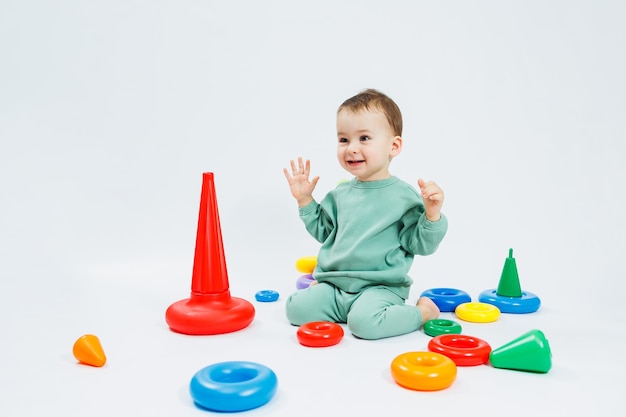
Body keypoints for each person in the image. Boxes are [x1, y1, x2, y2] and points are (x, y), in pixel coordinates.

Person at [282, 88, 448, 340]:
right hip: (336, 286)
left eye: (364, 138)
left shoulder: (403, 196)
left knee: (364, 325)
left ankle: (422, 313)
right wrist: (305, 200)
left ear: (394, 145)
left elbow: (420, 245)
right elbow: (324, 232)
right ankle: (338, 305)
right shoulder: (339, 195)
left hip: (380, 287)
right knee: (295, 309)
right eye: (344, 140)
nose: (352, 148)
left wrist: (432, 215)